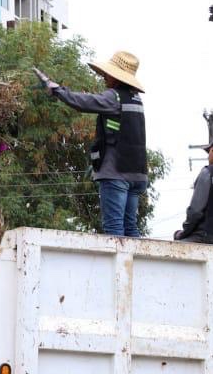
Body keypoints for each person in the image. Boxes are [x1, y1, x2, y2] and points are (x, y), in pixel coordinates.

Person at [35, 51, 148, 237]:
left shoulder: (114, 97)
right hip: (137, 174)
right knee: (131, 228)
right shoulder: (136, 99)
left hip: (116, 173)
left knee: (114, 231)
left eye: (107, 73)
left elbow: (84, 102)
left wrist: (56, 90)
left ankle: (118, 267)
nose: (104, 76)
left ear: (116, 76)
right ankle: (136, 267)